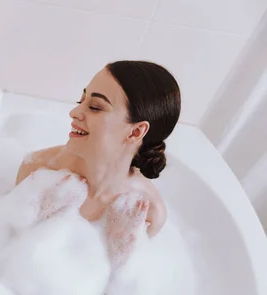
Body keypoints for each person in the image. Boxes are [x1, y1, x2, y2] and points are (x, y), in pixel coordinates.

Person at [15, 60, 181, 267]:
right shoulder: (37, 170)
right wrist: (37, 223)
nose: (74, 113)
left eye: (95, 107)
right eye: (81, 101)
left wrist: (118, 253)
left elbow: (123, 291)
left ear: (136, 131)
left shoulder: (147, 212)